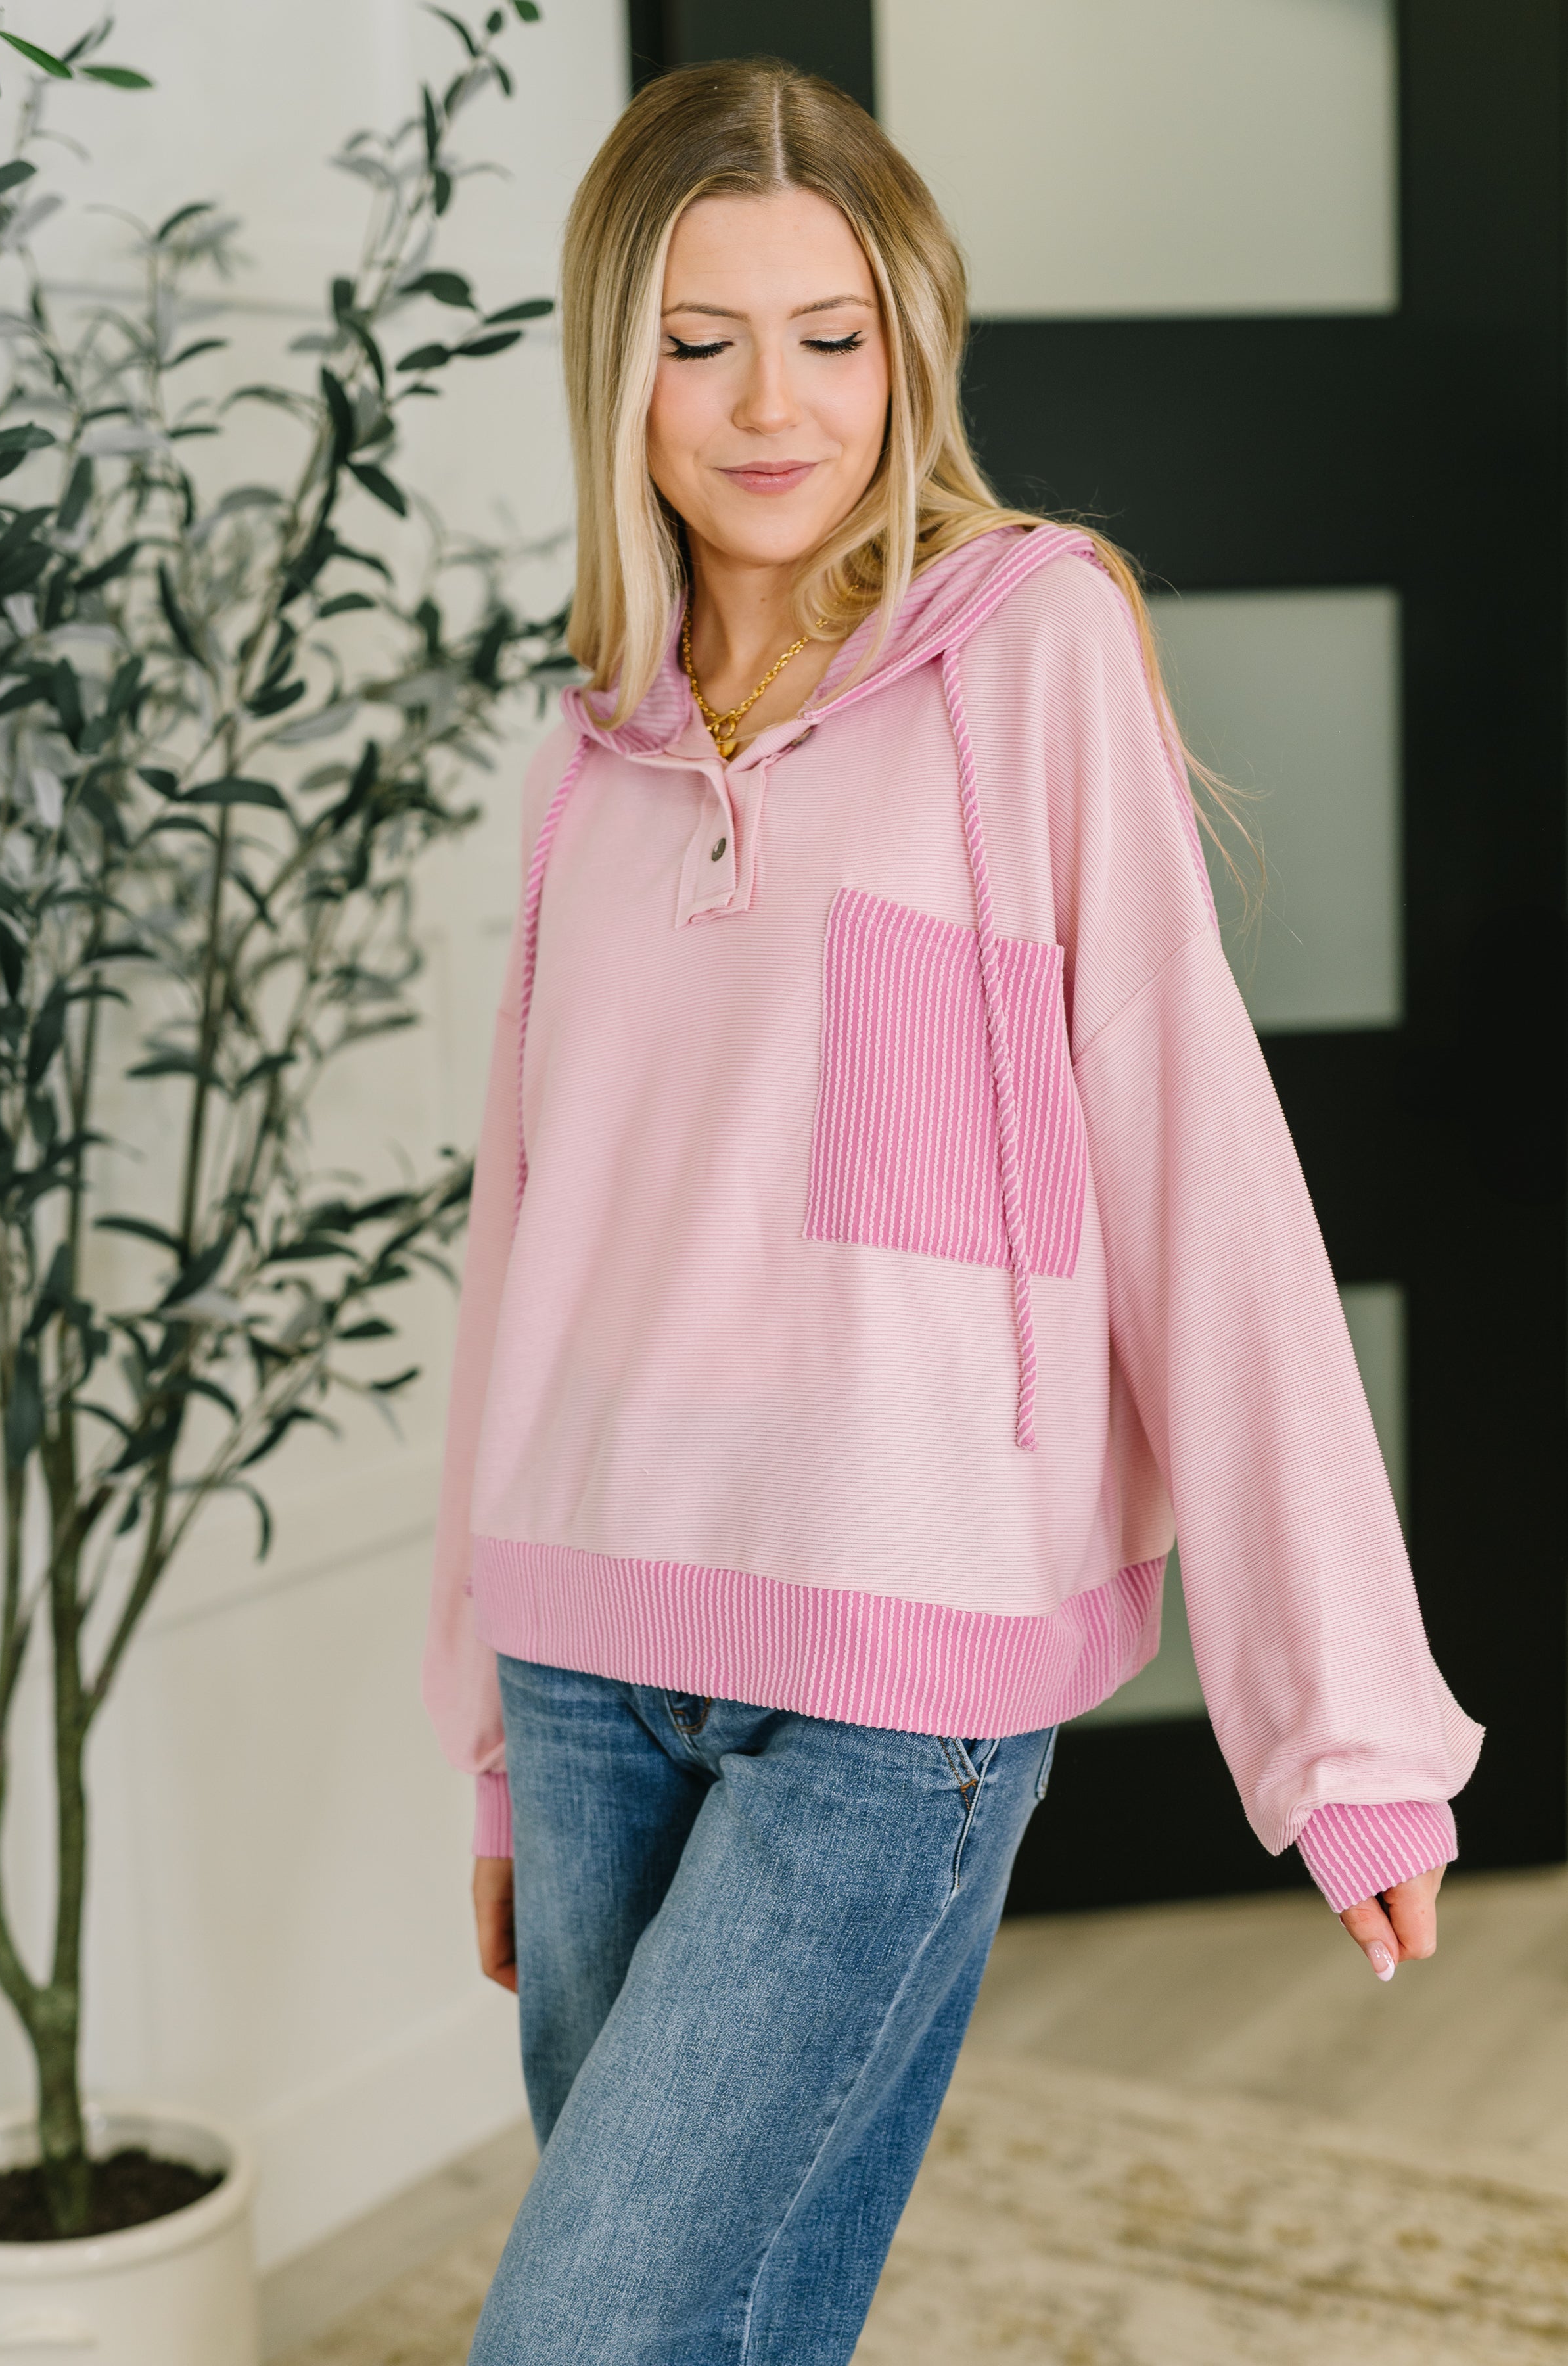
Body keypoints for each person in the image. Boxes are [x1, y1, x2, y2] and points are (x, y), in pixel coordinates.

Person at [423, 57, 1481, 2365]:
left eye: (830, 335)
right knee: (719, 2331)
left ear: (908, 351)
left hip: (896, 1681)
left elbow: (1194, 1154)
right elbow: (527, 1250)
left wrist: (1344, 1731)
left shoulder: (1026, 648)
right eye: (700, 340)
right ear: (615, 368)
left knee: (580, 2337)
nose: (771, 403)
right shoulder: (588, 748)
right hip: (585, 1657)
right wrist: (492, 1736)